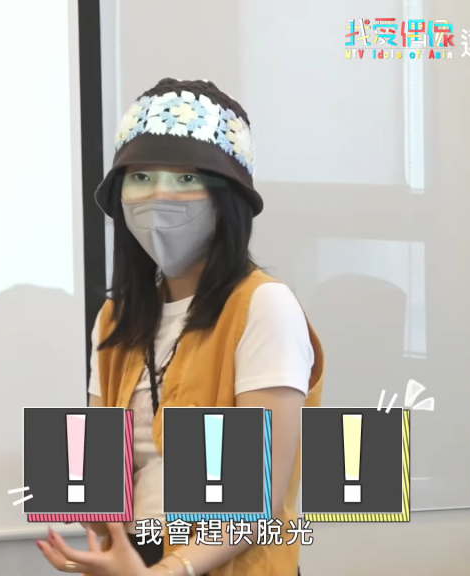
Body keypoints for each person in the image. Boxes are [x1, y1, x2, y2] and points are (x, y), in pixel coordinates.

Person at [35, 78, 323, 575]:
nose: (159, 195)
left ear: (228, 200)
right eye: (140, 176)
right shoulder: (115, 317)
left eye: (186, 178)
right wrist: (97, 535)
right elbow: (97, 484)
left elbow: (257, 502)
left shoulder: (262, 304)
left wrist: (170, 571)